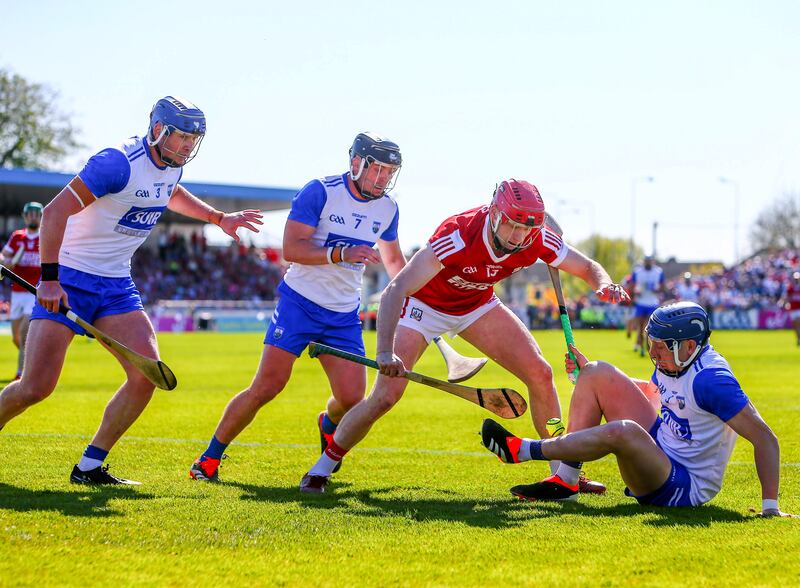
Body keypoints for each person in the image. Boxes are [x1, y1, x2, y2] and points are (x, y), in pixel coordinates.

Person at [299, 179, 629, 493]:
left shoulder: (538, 238)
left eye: (526, 228)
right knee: (385, 397)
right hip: (422, 306)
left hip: (477, 304)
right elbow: (396, 288)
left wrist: (604, 284)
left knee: (540, 374)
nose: (517, 236)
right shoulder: (458, 233)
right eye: (512, 225)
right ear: (495, 213)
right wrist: (385, 352)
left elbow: (587, 267)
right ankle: (321, 468)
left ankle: (564, 471)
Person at [0, 96, 263, 484]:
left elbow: (170, 194)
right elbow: (55, 213)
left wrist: (218, 217)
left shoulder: (170, 167)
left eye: (195, 138)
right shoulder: (116, 163)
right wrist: (51, 278)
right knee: (36, 387)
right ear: (159, 130)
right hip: (71, 275)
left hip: (116, 284)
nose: (190, 145)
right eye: (183, 137)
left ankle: (89, 466)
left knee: (146, 375)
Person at [189, 132, 407, 482]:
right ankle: (209, 458)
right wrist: (342, 254)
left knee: (352, 398)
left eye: (389, 172)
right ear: (356, 163)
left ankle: (328, 423)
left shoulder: (388, 207)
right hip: (300, 304)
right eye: (376, 170)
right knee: (266, 387)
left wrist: (410, 291)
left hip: (342, 315)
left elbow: (394, 259)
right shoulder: (320, 191)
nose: (382, 179)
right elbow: (292, 249)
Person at [481, 302, 794, 517]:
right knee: (596, 372)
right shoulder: (678, 361)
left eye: (662, 345)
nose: (654, 352)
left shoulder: (712, 380)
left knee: (624, 432)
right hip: (663, 447)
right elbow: (662, 394)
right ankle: (566, 481)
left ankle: (523, 450)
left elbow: (765, 438)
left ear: (689, 345)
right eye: (652, 342)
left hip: (684, 486)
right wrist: (595, 378)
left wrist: (770, 507)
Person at [1, 202, 43, 380]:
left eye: (36, 214)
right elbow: (4, 255)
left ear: (41, 217)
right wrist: (6, 262)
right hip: (17, 292)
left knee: (25, 334)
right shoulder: (17, 237)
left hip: (34, 292)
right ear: (25, 217)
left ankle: (21, 376)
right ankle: (34, 360)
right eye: (30, 214)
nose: (33, 217)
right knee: (16, 338)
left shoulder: (46, 237)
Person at [626, 255, 666, 356]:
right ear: (644, 261)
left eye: (649, 261)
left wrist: (657, 290)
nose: (648, 263)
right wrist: (635, 292)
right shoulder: (637, 272)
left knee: (650, 327)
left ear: (652, 261)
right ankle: (640, 345)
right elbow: (631, 286)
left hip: (653, 302)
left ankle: (648, 347)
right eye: (646, 261)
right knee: (640, 326)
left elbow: (663, 286)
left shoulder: (658, 272)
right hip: (640, 303)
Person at [781, 271, 800, 346]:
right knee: (795, 326)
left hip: (799, 308)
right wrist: (785, 303)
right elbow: (787, 297)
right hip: (792, 309)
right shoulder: (790, 287)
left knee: (798, 324)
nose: (796, 280)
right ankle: (798, 339)